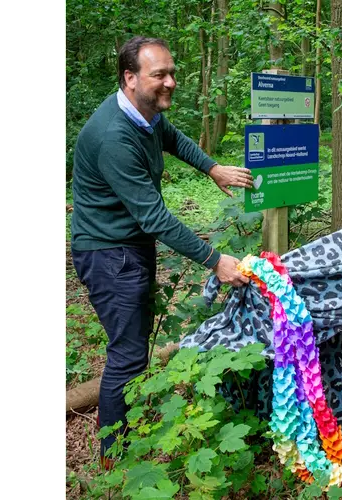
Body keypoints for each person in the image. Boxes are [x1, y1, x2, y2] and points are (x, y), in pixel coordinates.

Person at [70, 36, 252, 465]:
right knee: (128, 356)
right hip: (109, 254)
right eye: (159, 75)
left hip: (130, 246)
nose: (170, 81)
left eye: (172, 73)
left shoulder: (144, 114)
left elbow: (173, 137)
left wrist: (212, 167)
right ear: (130, 78)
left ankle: (129, 438)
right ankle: (115, 459)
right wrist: (215, 261)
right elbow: (155, 218)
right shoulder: (115, 135)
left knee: (133, 350)